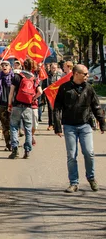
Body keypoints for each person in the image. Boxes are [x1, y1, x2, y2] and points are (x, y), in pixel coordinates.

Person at [54, 64, 105, 193]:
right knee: (72, 155)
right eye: (85, 74)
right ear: (76, 74)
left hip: (85, 125)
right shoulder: (64, 88)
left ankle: (91, 178)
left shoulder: (89, 88)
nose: (87, 76)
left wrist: (102, 123)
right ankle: (74, 183)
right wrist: (57, 126)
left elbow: (96, 106)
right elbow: (57, 108)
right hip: (69, 126)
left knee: (89, 153)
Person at [8, 59, 42, 160]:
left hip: (17, 105)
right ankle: (27, 150)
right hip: (28, 106)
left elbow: (11, 92)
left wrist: (9, 104)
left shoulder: (17, 76)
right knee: (28, 128)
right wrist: (33, 98)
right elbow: (40, 91)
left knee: (14, 126)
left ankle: (15, 149)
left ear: (23, 65)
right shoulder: (34, 78)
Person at [0, 61, 14, 151]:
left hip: (12, 105)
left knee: (13, 125)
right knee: (5, 126)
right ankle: (8, 143)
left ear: (10, 67)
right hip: (2, 104)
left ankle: (14, 143)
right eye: (3, 65)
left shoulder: (14, 78)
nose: (4, 67)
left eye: (6, 65)